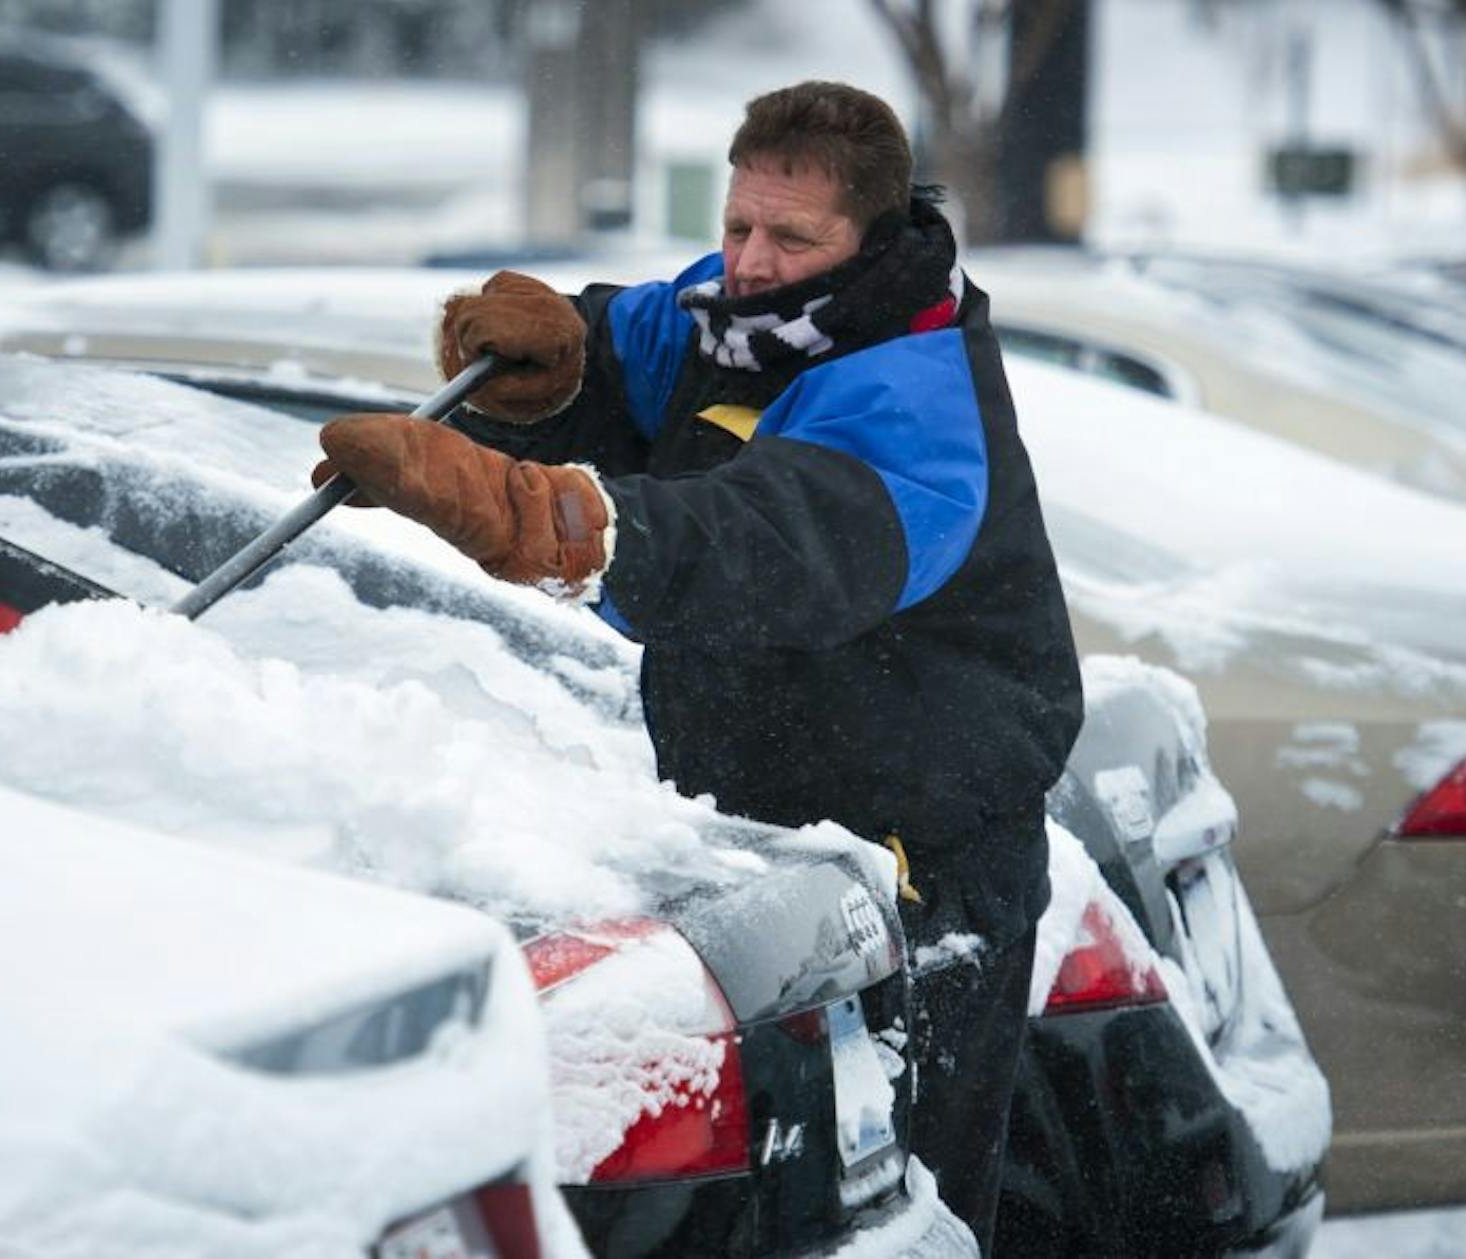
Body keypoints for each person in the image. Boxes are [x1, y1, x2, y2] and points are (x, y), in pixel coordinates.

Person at [311, 81, 1082, 1252]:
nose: (750, 260)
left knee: (896, 1219)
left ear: (870, 241)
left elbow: (765, 545)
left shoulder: (921, 399)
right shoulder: (749, 314)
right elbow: (640, 343)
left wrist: (547, 517)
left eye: (790, 237)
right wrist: (554, 361)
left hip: (922, 871)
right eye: (738, 227)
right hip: (755, 848)